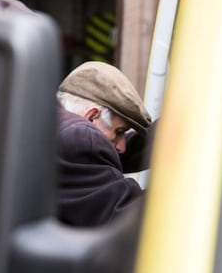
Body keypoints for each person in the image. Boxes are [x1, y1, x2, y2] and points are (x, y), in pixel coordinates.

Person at [57, 61, 155, 227]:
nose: (122, 147)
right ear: (91, 117)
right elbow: (130, 217)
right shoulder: (79, 138)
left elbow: (127, 150)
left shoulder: (55, 125)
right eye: (119, 132)